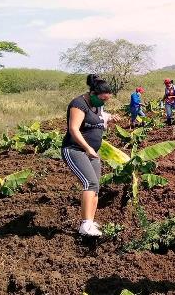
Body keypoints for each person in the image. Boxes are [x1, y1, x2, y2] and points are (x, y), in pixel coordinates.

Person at [61, 74, 120, 237]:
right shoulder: (78, 104)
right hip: (75, 149)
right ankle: (85, 225)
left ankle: (91, 222)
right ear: (93, 94)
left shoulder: (98, 107)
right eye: (102, 99)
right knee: (90, 183)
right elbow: (73, 129)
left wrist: (109, 118)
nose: (104, 103)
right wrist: (87, 148)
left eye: (106, 100)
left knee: (96, 186)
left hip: (93, 152)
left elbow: (99, 118)